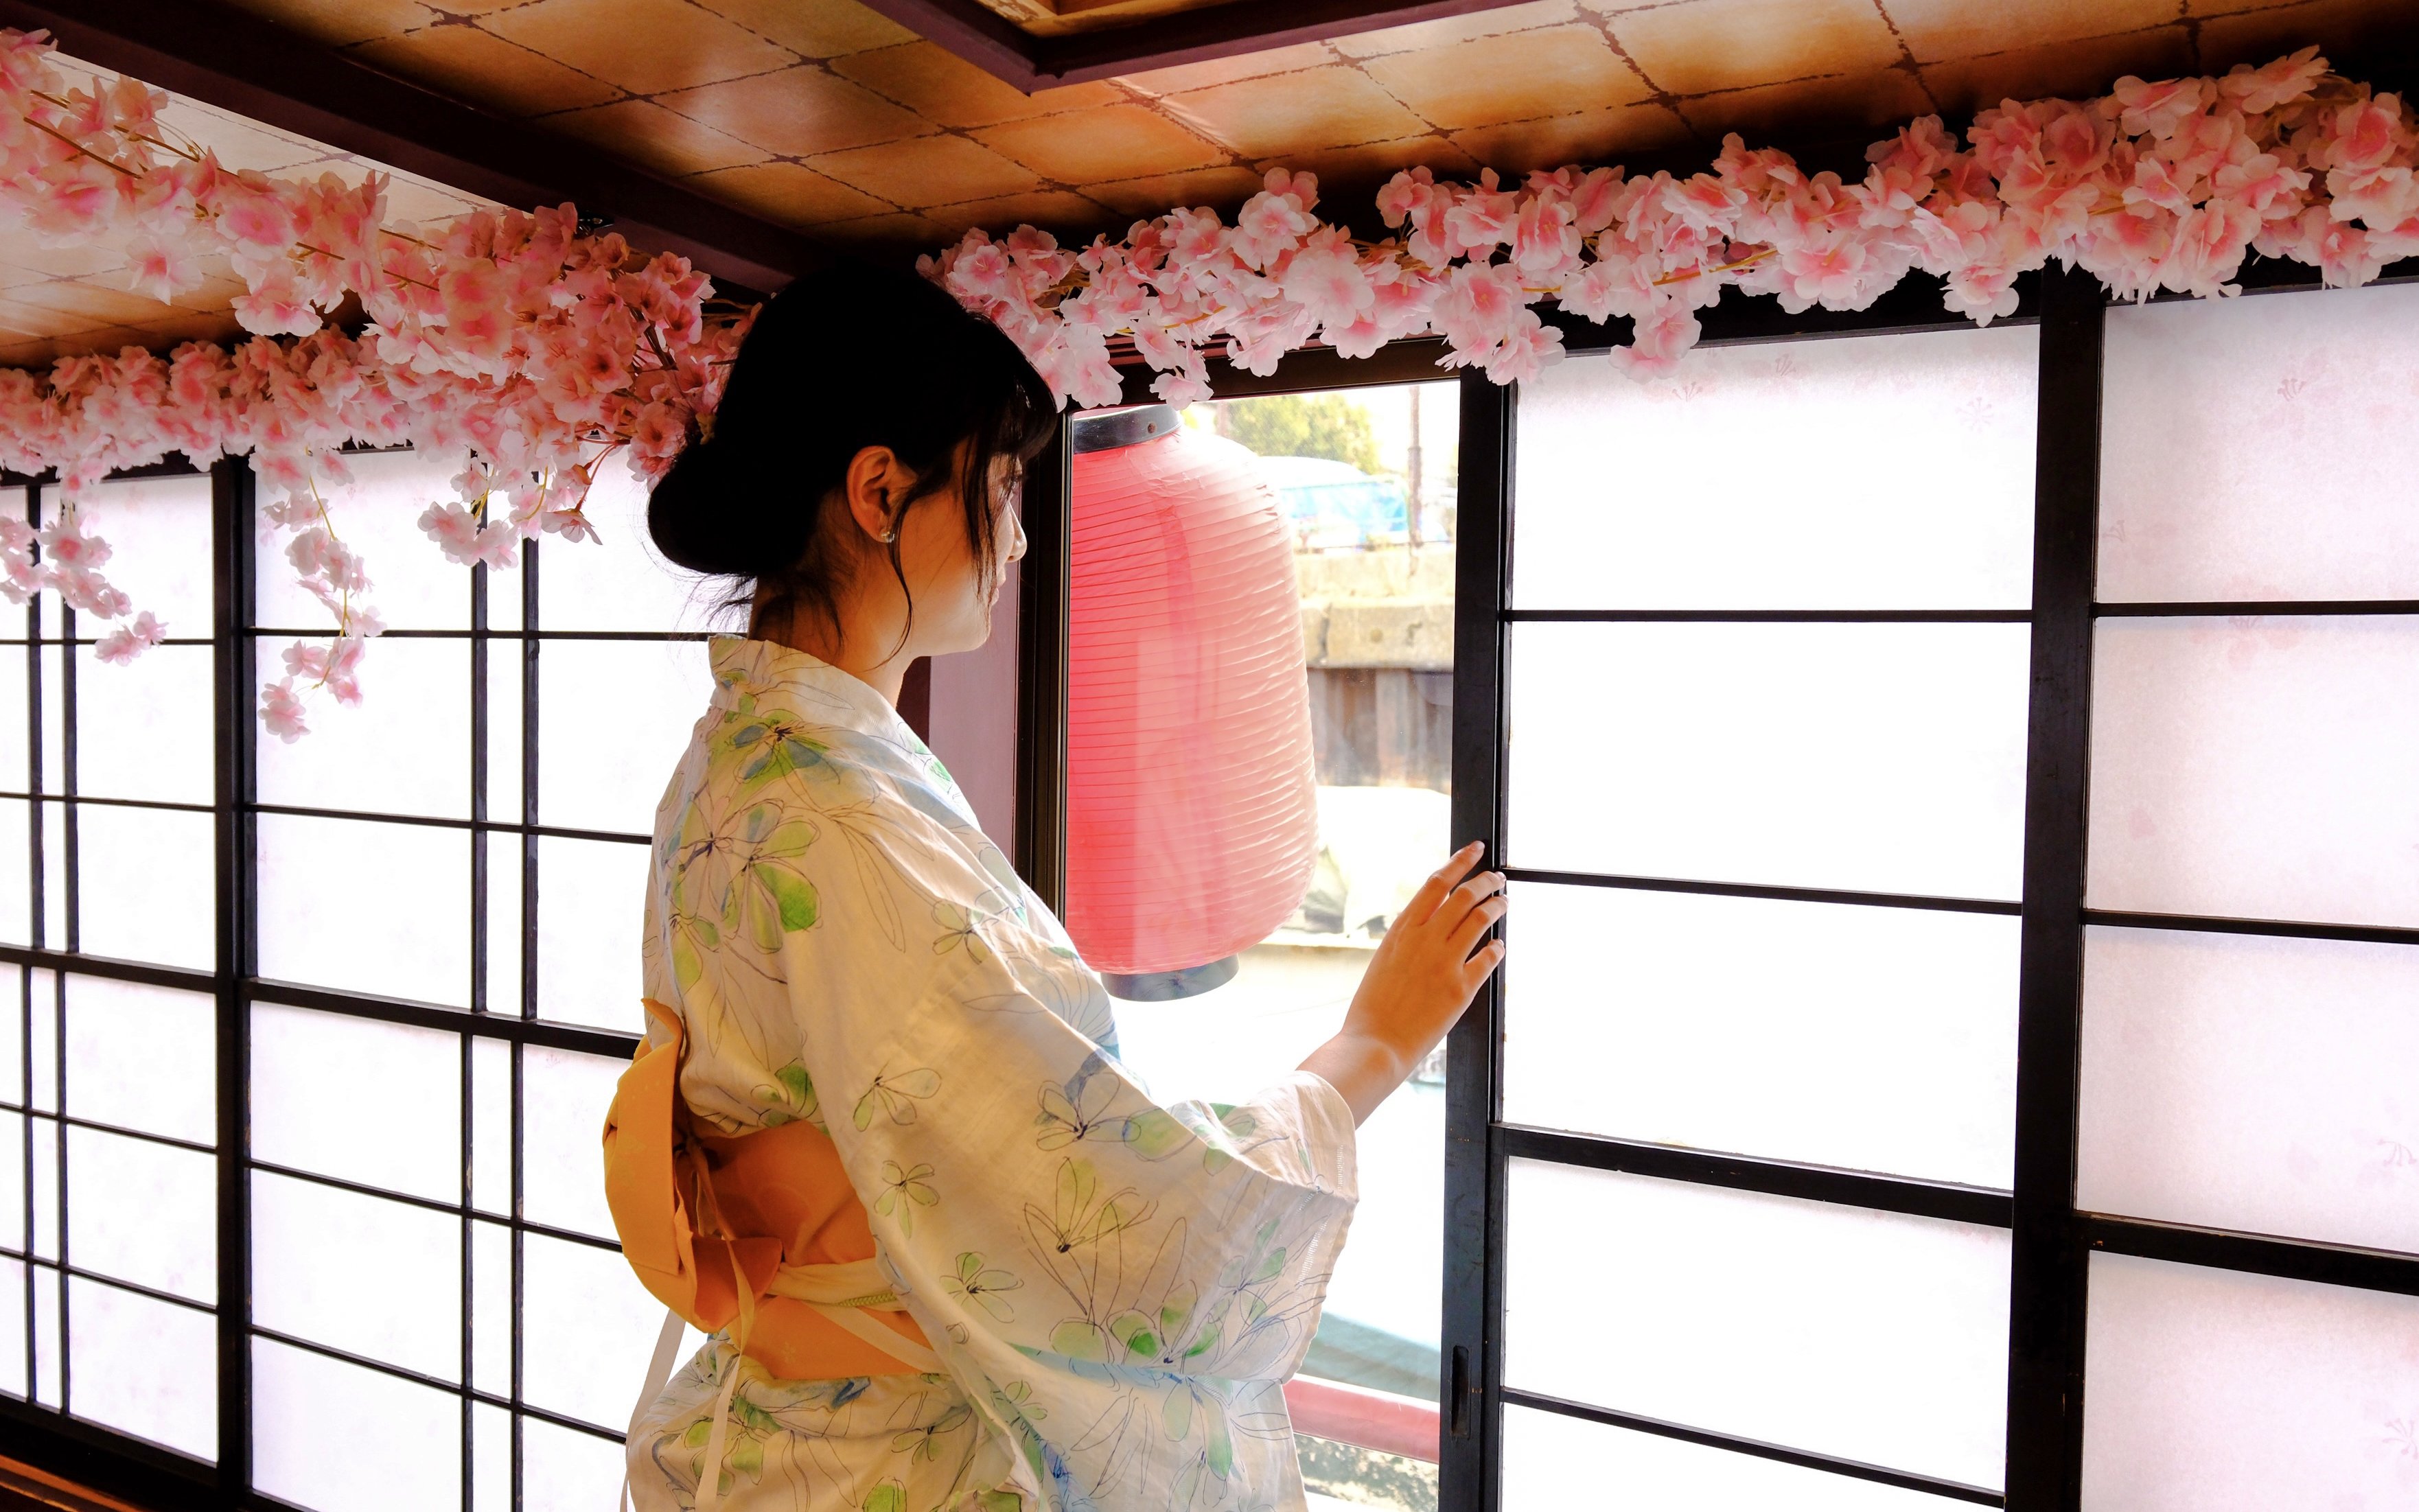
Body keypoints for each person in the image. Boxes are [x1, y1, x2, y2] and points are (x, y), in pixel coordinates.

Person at [612, 265, 1505, 1512]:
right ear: (881, 492)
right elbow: (1123, 1211)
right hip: (878, 1462)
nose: (1022, 535)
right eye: (1000, 487)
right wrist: (1372, 1045)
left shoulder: (747, 754)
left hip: (780, 1425)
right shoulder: (845, 827)